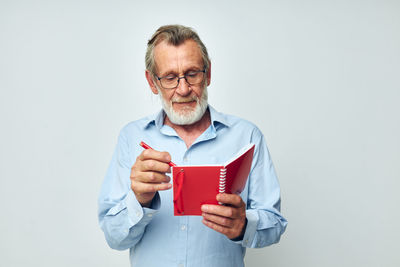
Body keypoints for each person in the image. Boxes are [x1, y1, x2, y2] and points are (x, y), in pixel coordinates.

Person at [98, 24, 287, 267]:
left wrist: (244, 225)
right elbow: (115, 238)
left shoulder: (247, 136)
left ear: (208, 74)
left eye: (193, 73)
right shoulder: (131, 137)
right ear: (152, 82)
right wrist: (139, 200)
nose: (184, 89)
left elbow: (275, 224)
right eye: (169, 78)